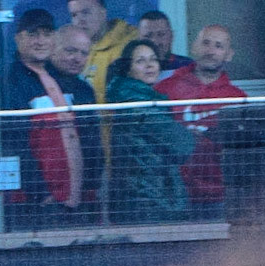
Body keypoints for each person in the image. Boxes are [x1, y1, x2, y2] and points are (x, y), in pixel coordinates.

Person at [0, 8, 99, 224]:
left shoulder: (72, 83)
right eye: (33, 34)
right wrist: (40, 193)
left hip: (78, 199)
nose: (40, 41)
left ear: (54, 39)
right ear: (18, 39)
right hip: (37, 203)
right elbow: (15, 145)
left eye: (46, 34)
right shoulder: (10, 83)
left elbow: (91, 141)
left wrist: (91, 188)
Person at [156, 24, 246, 220]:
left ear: (229, 54)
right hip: (172, 193)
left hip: (218, 195)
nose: (211, 51)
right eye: (206, 43)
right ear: (194, 47)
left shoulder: (237, 98)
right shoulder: (165, 90)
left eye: (218, 46)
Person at [104, 40, 190, 224]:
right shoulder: (135, 102)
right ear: (128, 70)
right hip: (145, 199)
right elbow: (183, 144)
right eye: (140, 61)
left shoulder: (143, 97)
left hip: (150, 195)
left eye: (153, 59)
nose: (150, 65)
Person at [67, 0, 138, 110]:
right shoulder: (71, 51)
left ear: (103, 13)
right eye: (74, 15)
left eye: (86, 12)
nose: (79, 20)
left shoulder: (131, 44)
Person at [137, 11, 193, 78]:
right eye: (148, 36)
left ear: (171, 36)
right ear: (138, 40)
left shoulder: (189, 67)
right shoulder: (129, 71)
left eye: (161, 34)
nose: (155, 42)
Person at [51, 24, 97, 100]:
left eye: (84, 53)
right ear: (53, 48)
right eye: (71, 51)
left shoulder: (86, 90)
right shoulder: (33, 82)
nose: (78, 59)